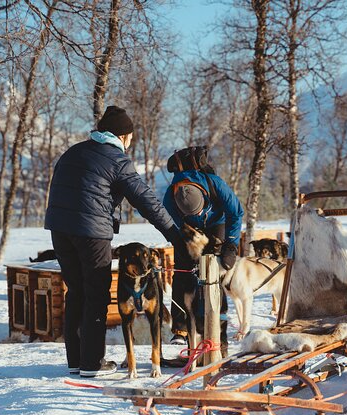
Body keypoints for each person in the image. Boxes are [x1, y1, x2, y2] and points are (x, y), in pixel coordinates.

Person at [45, 106, 184, 378]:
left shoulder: (74, 151)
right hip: (92, 232)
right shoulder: (117, 159)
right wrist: (174, 234)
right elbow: (146, 200)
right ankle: (92, 364)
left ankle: (75, 361)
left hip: (60, 229)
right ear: (123, 136)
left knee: (75, 292)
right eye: (130, 136)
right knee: (96, 293)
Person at [163, 165, 243, 357]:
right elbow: (168, 222)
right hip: (188, 229)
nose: (198, 215)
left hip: (217, 223)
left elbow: (236, 213)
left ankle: (217, 324)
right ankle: (181, 329)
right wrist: (179, 240)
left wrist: (231, 244)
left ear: (204, 196)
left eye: (199, 211)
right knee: (183, 272)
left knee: (214, 272)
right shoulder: (169, 199)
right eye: (193, 214)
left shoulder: (215, 185)